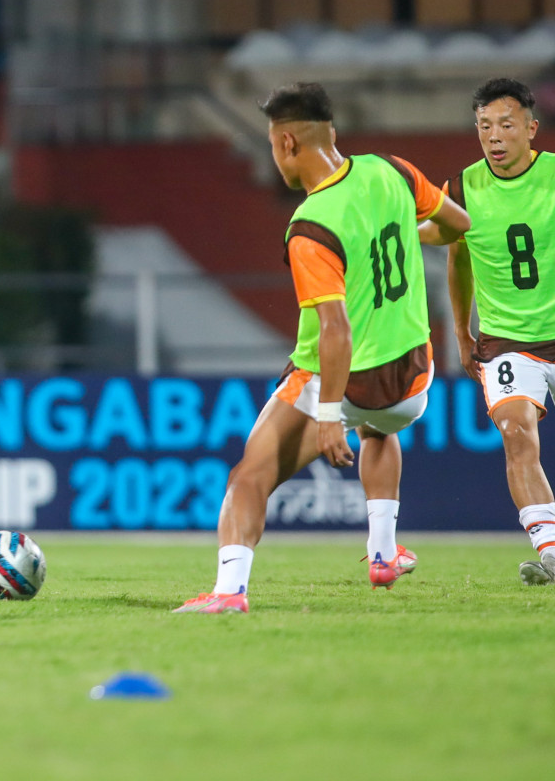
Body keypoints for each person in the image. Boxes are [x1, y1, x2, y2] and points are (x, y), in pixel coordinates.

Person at [175, 82, 470, 614]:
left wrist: (330, 415)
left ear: (287, 144)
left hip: (345, 384)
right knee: (380, 430)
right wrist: (408, 231)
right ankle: (383, 554)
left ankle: (228, 593)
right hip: (412, 381)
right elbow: (458, 226)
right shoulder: (392, 170)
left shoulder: (310, 225)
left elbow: (335, 329)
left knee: (249, 477)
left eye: (271, 144)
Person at [444, 78, 555, 584]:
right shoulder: (463, 189)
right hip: (507, 341)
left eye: (506, 125)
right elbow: (458, 261)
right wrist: (463, 333)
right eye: (484, 126)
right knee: (516, 434)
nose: (494, 136)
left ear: (531, 129)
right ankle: (551, 552)